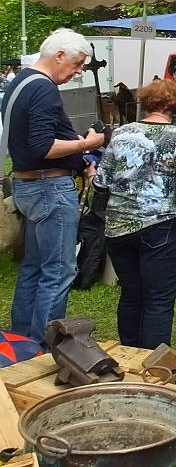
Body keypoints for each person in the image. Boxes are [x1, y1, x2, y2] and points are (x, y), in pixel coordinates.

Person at [5, 29, 104, 346]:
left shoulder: (19, 82)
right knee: (58, 272)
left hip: (27, 184)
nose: (77, 72)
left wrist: (76, 149)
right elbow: (42, 146)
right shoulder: (45, 89)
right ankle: (43, 347)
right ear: (59, 55)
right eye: (77, 64)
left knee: (33, 266)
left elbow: (32, 141)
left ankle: (19, 340)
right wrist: (88, 143)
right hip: (49, 187)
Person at [92, 79, 176, 349]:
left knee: (131, 293)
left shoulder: (120, 133)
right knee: (158, 299)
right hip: (158, 224)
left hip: (118, 226)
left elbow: (101, 182)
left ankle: (129, 353)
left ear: (146, 102)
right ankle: (152, 364)